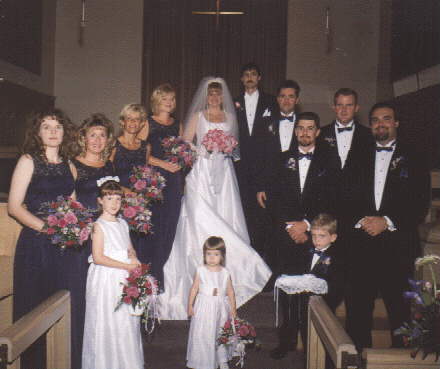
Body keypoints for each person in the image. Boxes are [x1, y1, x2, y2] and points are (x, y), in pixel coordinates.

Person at [159, 77, 271, 320]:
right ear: (205, 96)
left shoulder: (230, 118)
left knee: (226, 217)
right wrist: (204, 149)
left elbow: (236, 148)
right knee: (199, 217)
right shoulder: (198, 116)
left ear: (223, 97)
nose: (214, 98)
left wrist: (226, 147)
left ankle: (233, 274)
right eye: (210, 94)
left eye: (218, 94)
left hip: (224, 174)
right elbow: (185, 145)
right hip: (201, 172)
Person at [344, 102, 430, 350]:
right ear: (370, 125)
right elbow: (345, 195)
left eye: (386, 119)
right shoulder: (358, 153)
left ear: (396, 123)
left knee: (399, 311)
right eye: (375, 120)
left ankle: (399, 362)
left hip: (398, 245)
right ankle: (356, 361)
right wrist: (363, 220)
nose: (380, 124)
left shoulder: (414, 155)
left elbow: (419, 202)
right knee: (358, 309)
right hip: (362, 244)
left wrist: (387, 221)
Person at [266, 112, 339, 359]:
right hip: (287, 235)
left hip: (314, 236)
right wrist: (290, 227)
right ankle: (285, 341)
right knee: (287, 292)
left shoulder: (329, 160)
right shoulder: (281, 159)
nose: (305, 133)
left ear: (318, 132)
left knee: (311, 294)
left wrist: (306, 225)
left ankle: (312, 344)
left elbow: (331, 198)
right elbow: (273, 198)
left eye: (310, 128)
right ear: (295, 131)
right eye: (301, 128)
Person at [8, 109, 77, 369]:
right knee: (34, 310)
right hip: (36, 245)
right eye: (46, 127)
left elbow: (73, 206)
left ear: (64, 132)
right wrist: (48, 229)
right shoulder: (28, 160)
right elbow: (14, 207)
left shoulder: (69, 164)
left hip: (63, 247)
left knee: (60, 308)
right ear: (38, 133)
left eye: (57, 127)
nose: (52, 132)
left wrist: (76, 229)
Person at [82, 179, 144, 369]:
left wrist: (134, 261)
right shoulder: (98, 226)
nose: (114, 203)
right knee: (107, 320)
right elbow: (98, 257)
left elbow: (129, 249)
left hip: (123, 278)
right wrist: (126, 267)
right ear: (100, 200)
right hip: (106, 278)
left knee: (125, 322)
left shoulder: (123, 224)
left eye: (118, 199)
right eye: (109, 198)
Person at [271, 214, 344, 359]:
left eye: (321, 236)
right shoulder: (307, 250)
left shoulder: (337, 257)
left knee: (317, 335)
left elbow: (337, 284)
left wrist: (322, 285)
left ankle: (318, 357)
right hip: (303, 302)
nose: (316, 240)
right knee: (297, 317)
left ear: (333, 237)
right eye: (314, 236)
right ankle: (291, 343)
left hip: (322, 305)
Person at [256, 80, 301, 276]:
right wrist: (260, 186)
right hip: (271, 187)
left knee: (292, 233)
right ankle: (271, 276)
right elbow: (260, 158)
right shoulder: (266, 123)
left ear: (297, 99)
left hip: (296, 187)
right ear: (277, 99)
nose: (286, 100)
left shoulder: (304, 124)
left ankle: (290, 274)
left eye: (291, 96)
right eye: (283, 96)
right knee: (271, 232)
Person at [140, 84, 183, 286]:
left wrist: (182, 161)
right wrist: (163, 164)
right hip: (153, 180)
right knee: (153, 227)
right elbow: (138, 153)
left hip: (174, 180)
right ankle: (150, 276)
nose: (169, 102)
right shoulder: (147, 122)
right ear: (157, 100)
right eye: (165, 98)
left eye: (172, 99)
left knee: (169, 227)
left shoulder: (177, 124)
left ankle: (158, 271)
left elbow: (182, 152)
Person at [234, 62, 276, 258]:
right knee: (243, 213)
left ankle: (262, 258)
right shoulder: (233, 103)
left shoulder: (271, 102)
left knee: (262, 216)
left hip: (263, 167)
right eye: (246, 74)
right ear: (242, 79)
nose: (250, 77)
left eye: (253, 74)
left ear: (259, 78)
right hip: (239, 167)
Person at [319, 88, 372, 236]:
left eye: (348, 105)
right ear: (334, 107)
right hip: (326, 208)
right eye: (340, 105)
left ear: (356, 108)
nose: (343, 110)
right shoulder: (319, 134)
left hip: (357, 210)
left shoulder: (368, 136)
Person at [186, 236, 237, 369]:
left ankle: (222, 359)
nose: (212, 257)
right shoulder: (200, 270)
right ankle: (202, 360)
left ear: (222, 256)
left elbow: (230, 291)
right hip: (204, 306)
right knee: (204, 333)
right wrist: (190, 305)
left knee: (220, 332)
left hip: (220, 307)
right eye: (208, 254)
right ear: (204, 254)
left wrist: (233, 309)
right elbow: (194, 288)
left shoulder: (225, 273)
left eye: (216, 254)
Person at [111, 103, 149, 259]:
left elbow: (145, 175)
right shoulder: (114, 144)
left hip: (139, 202)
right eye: (129, 119)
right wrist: (126, 192)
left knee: (138, 244)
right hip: (117, 200)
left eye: (137, 119)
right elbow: (107, 175)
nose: (133, 123)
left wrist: (144, 195)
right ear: (122, 122)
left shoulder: (145, 146)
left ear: (141, 123)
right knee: (120, 243)